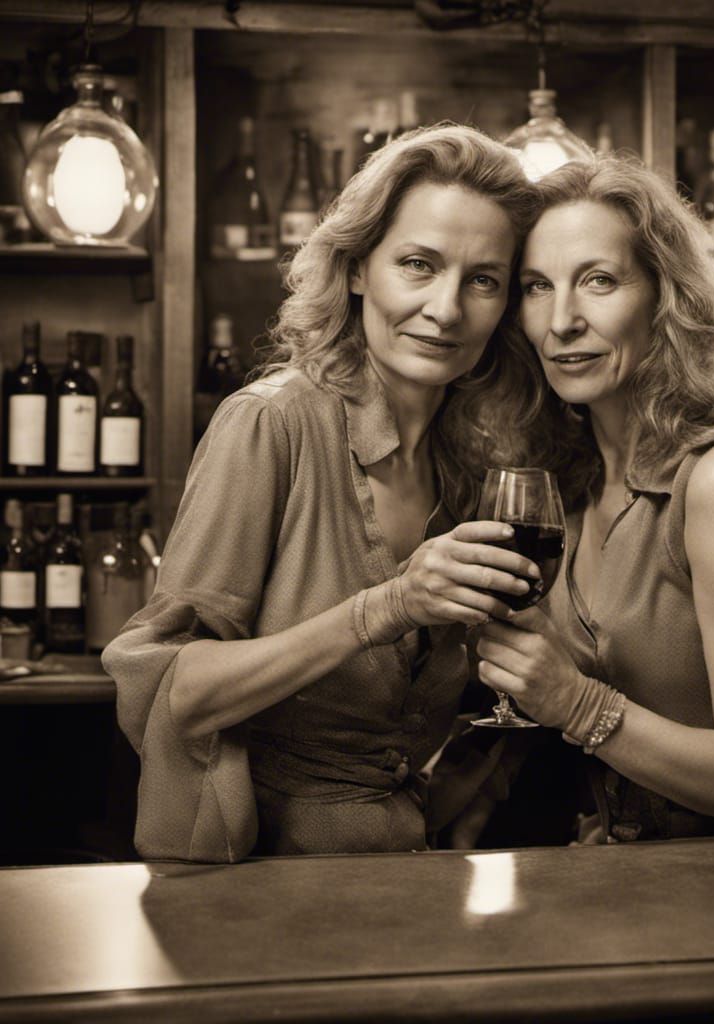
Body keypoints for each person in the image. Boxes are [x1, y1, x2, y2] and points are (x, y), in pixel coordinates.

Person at [102, 124, 552, 861]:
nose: (446, 308)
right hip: (259, 890)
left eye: (483, 280)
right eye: (417, 264)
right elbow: (167, 690)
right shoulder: (270, 423)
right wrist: (389, 605)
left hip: (413, 881)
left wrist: (483, 782)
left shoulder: (471, 462)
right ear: (354, 269)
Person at [474, 154, 714, 842]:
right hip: (634, 894)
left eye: (598, 281)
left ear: (666, 299)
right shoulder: (566, 483)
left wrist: (575, 703)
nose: (562, 320)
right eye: (537, 287)